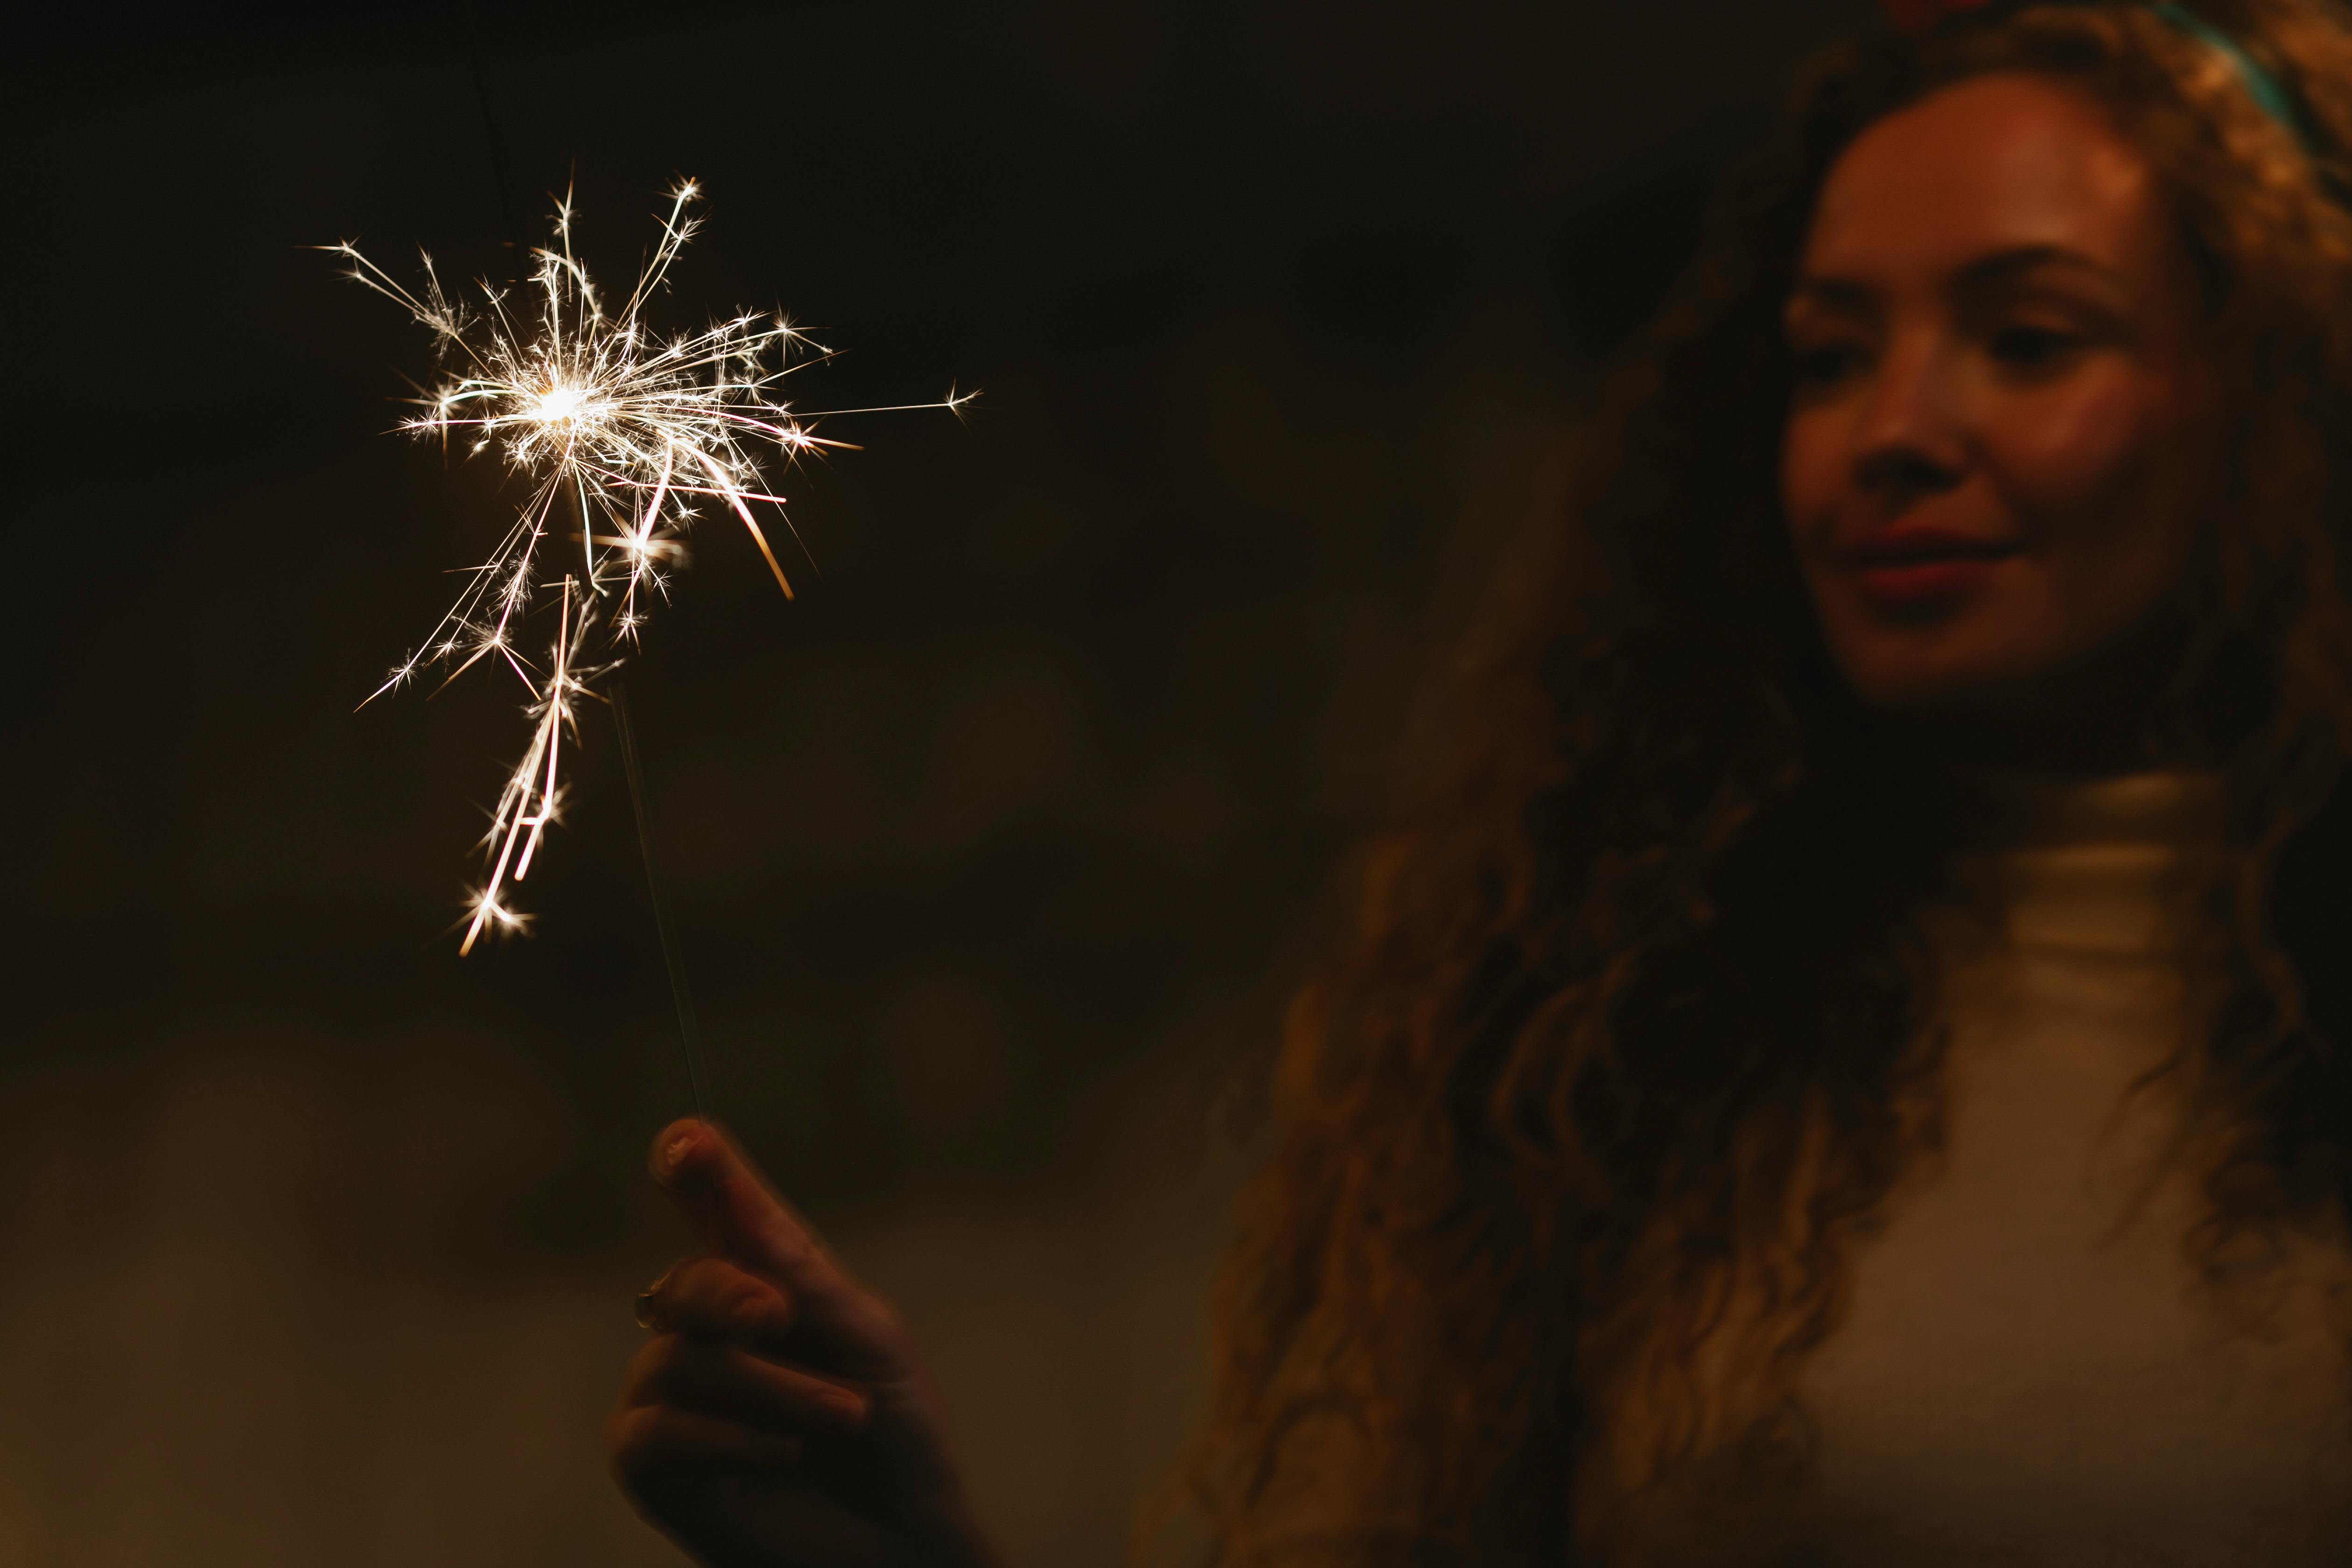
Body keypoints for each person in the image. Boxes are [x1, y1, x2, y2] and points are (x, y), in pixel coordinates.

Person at [606, 2, 2352, 1562]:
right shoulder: (1606, 1033)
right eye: (1828, 356)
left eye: (2030, 339)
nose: (1891, 428)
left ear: (2285, 390)